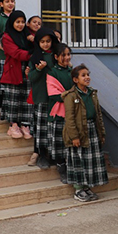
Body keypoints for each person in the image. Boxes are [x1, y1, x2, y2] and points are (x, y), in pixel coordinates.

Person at [62, 64, 107, 201]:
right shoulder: (71, 96)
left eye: (88, 75)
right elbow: (69, 118)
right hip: (78, 132)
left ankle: (87, 187)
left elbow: (98, 114)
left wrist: (101, 133)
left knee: (90, 161)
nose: (87, 77)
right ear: (76, 80)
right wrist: (74, 136)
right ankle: (78, 189)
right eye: (83, 75)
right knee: (79, 161)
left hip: (92, 130)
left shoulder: (92, 93)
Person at [0, 10, 34, 139]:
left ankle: (25, 125)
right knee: (13, 99)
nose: (20, 25)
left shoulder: (28, 35)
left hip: (27, 71)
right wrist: (31, 55)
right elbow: (16, 53)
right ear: (12, 22)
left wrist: (34, 41)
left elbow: (38, 46)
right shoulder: (7, 37)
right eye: (17, 22)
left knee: (26, 99)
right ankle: (13, 125)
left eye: (22, 22)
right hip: (13, 71)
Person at [27, 27, 56, 168]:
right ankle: (40, 154)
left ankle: (53, 155)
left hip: (55, 98)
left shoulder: (56, 56)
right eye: (42, 41)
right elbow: (31, 77)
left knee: (53, 127)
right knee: (40, 128)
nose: (45, 44)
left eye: (48, 41)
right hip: (41, 97)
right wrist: (38, 69)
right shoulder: (35, 58)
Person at [46, 43, 73, 181]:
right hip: (58, 114)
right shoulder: (52, 72)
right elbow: (54, 95)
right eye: (63, 55)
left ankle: (70, 167)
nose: (67, 57)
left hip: (72, 114)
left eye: (68, 54)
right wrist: (72, 95)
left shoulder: (73, 71)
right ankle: (61, 167)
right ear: (56, 57)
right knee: (59, 143)